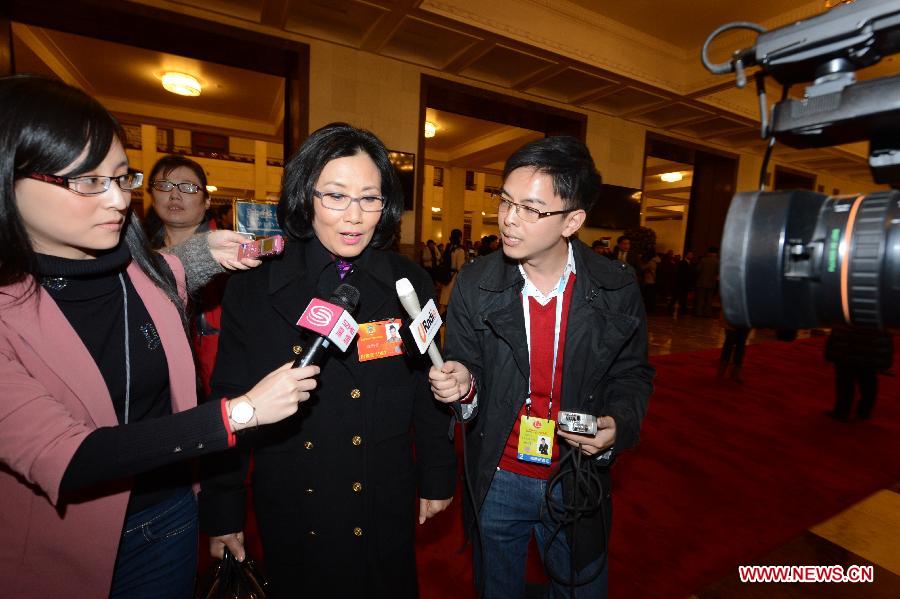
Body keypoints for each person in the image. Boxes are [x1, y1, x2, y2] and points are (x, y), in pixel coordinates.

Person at [0, 75, 320, 599]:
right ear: (10, 178)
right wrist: (241, 412)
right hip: (60, 545)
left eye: (122, 178)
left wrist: (208, 251)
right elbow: (71, 455)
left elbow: (168, 269)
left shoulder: (140, 273)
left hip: (169, 517)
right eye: (86, 182)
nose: (115, 201)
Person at [200, 123, 457, 598]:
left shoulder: (410, 282)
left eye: (370, 198)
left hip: (381, 489)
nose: (354, 216)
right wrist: (223, 507)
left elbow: (430, 382)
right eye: (336, 196)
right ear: (305, 196)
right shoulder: (257, 285)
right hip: (296, 492)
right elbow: (229, 398)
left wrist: (438, 473)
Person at [430, 137, 654, 598]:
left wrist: (619, 422)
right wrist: (463, 383)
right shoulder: (475, 283)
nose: (509, 219)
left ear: (572, 220)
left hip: (575, 475)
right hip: (499, 475)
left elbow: (632, 374)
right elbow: (469, 367)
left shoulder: (615, 287)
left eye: (532, 209)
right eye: (506, 201)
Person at [147, 155, 226, 395]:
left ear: (207, 200)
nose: (175, 195)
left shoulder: (229, 252)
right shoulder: (139, 254)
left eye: (189, 187)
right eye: (164, 185)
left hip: (217, 380)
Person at [824, 327, 894, 422]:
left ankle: (843, 411)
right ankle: (863, 411)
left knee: (846, 381)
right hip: (868, 348)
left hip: (848, 346)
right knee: (867, 381)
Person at [438, 227, 466, 311]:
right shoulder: (459, 250)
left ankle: (439, 321)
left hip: (447, 276)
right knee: (451, 301)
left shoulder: (449, 247)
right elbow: (460, 267)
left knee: (444, 301)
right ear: (460, 237)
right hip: (454, 277)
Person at [694, 246, 719, 317]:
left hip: (701, 283)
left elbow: (698, 270)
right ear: (715, 253)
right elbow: (719, 272)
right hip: (711, 283)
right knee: (709, 300)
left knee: (700, 299)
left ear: (709, 253)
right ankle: (707, 313)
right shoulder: (717, 261)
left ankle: (699, 313)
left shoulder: (703, 260)